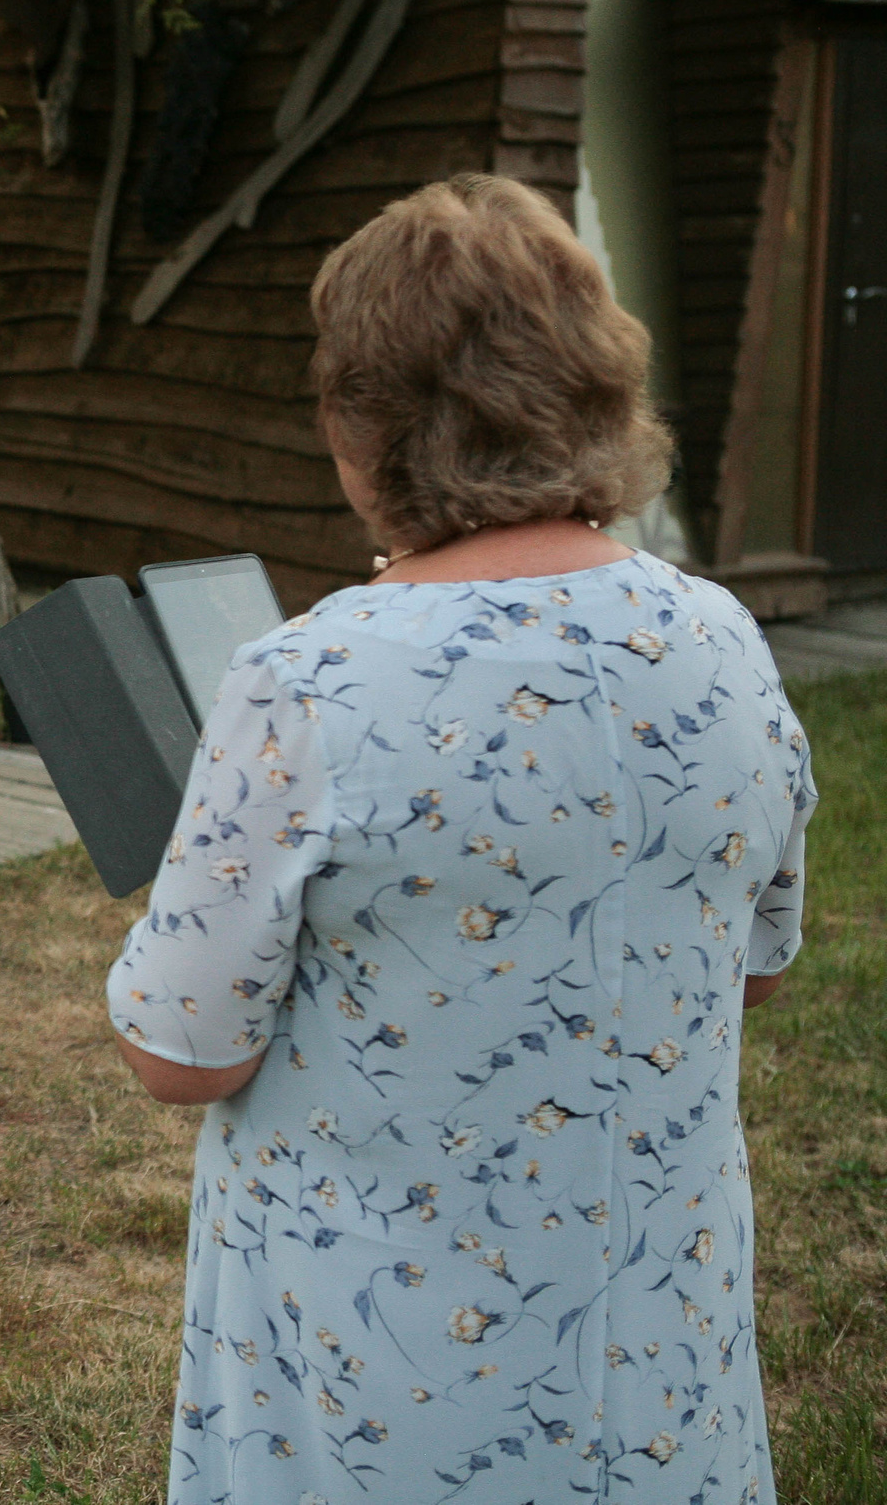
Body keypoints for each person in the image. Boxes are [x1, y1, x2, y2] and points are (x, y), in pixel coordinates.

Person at [107, 173, 816, 1504]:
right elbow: (757, 963)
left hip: (394, 1367)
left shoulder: (309, 680)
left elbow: (180, 1052)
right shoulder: (726, 643)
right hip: (654, 1334)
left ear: (366, 417)